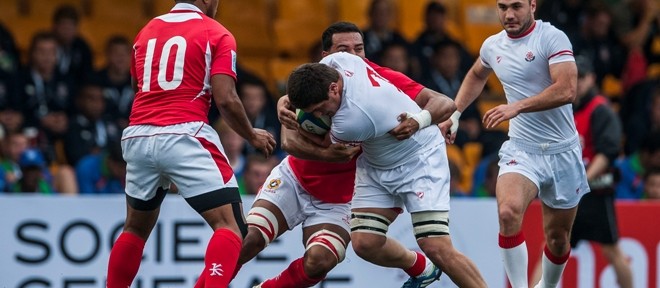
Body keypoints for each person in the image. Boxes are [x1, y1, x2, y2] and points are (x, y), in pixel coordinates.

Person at [237, 21, 485, 288]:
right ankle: (422, 268)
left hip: (410, 165)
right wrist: (283, 102)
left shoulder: (353, 118)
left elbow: (296, 142)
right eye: (345, 49)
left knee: (435, 245)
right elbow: (294, 130)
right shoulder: (330, 72)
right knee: (364, 243)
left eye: (359, 48)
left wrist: (420, 120)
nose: (354, 55)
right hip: (343, 171)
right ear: (328, 58)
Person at [105, 1, 276, 287]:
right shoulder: (217, 33)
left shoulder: (147, 31)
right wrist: (251, 135)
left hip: (138, 134)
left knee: (134, 228)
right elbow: (226, 98)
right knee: (231, 226)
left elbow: (138, 89)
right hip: (184, 133)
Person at [439, 1, 589, 287]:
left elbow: (567, 89)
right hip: (522, 148)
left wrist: (517, 107)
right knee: (507, 212)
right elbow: (476, 74)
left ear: (532, 5)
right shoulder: (493, 45)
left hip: (562, 153)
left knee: (558, 239)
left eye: (517, 6)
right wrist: (455, 112)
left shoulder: (552, 37)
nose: (509, 14)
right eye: (503, 6)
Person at [530, 56, 632, 287]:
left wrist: (582, 181)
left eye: (582, 78)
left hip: (594, 193)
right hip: (568, 195)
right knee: (549, 247)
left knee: (612, 251)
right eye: (575, 78)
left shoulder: (600, 110)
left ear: (592, 79)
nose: (578, 83)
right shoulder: (563, 110)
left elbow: (608, 152)